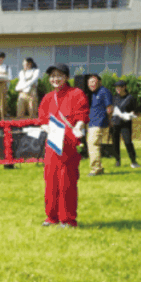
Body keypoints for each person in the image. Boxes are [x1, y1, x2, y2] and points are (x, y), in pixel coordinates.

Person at [38, 63, 88, 228]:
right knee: (51, 180)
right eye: (52, 76)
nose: (55, 79)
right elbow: (43, 120)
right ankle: (51, 217)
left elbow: (82, 115)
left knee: (67, 181)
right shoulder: (47, 98)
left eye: (59, 75)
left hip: (69, 143)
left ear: (66, 77)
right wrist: (46, 128)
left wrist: (79, 127)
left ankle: (67, 219)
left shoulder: (76, 94)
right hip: (52, 143)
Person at [85, 74, 113, 177]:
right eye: (89, 83)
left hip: (99, 122)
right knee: (92, 144)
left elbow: (109, 107)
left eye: (93, 81)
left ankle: (96, 169)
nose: (91, 84)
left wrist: (109, 120)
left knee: (93, 144)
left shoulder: (104, 91)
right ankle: (98, 168)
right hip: (92, 123)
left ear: (99, 82)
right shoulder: (94, 93)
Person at [110, 80, 139, 168]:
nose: (117, 89)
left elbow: (135, 111)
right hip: (115, 123)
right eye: (116, 87)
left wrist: (129, 115)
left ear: (124, 87)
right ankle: (117, 160)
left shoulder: (130, 98)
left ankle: (133, 160)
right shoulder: (114, 98)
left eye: (119, 87)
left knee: (127, 142)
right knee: (115, 142)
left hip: (125, 123)